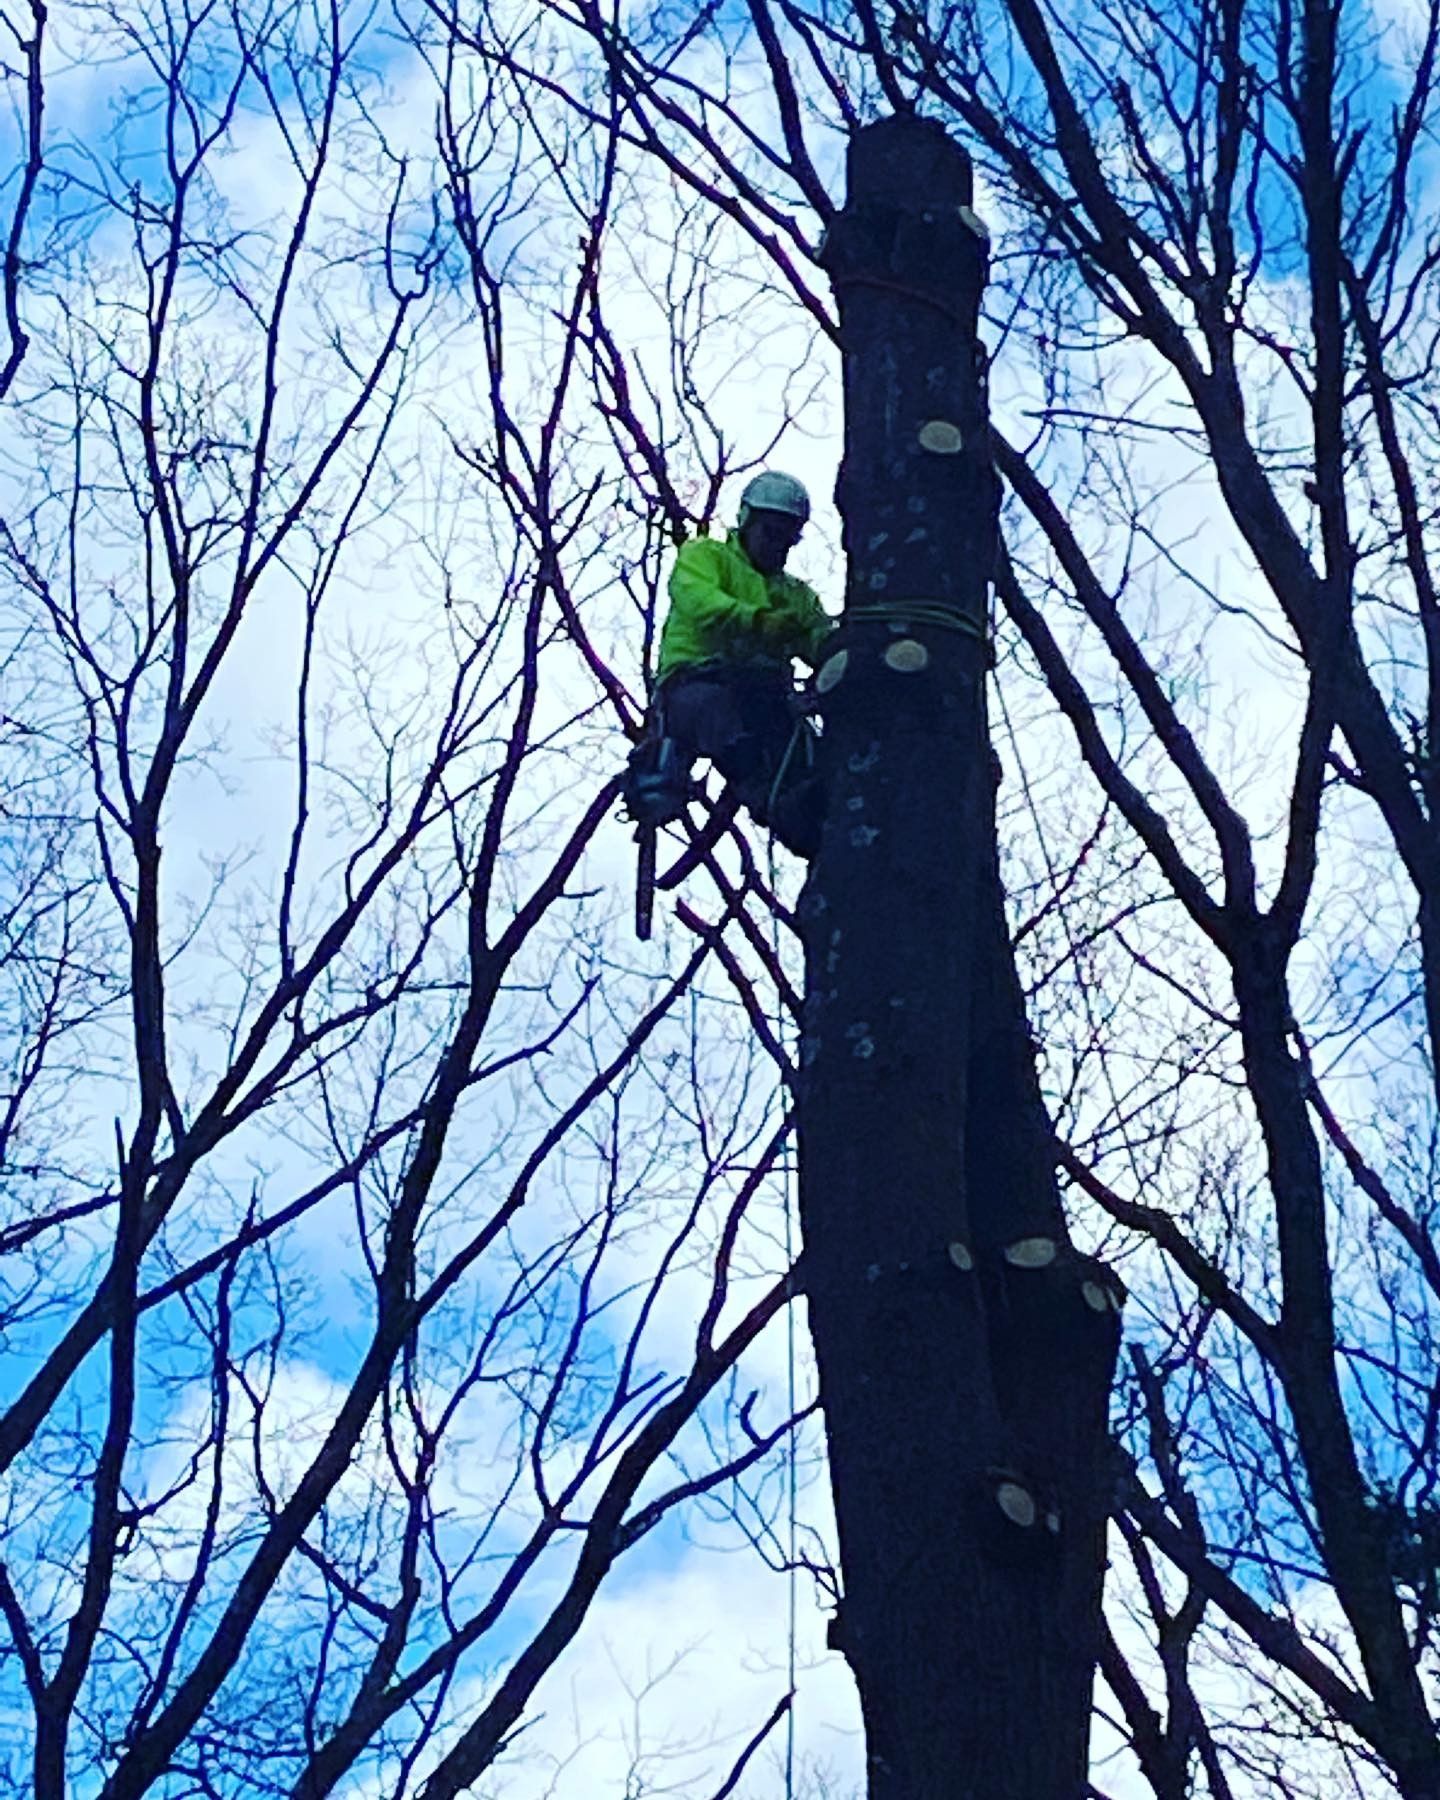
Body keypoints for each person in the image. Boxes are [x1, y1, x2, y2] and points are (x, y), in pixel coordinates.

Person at [641, 470, 831, 856]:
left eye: (787, 538)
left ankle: (811, 826)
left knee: (801, 756)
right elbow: (700, 602)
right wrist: (757, 621)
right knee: (723, 723)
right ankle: (764, 795)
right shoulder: (706, 557)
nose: (777, 546)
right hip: (694, 685)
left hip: (764, 697)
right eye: (770, 533)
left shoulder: (795, 595)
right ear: (747, 522)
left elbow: (821, 641)